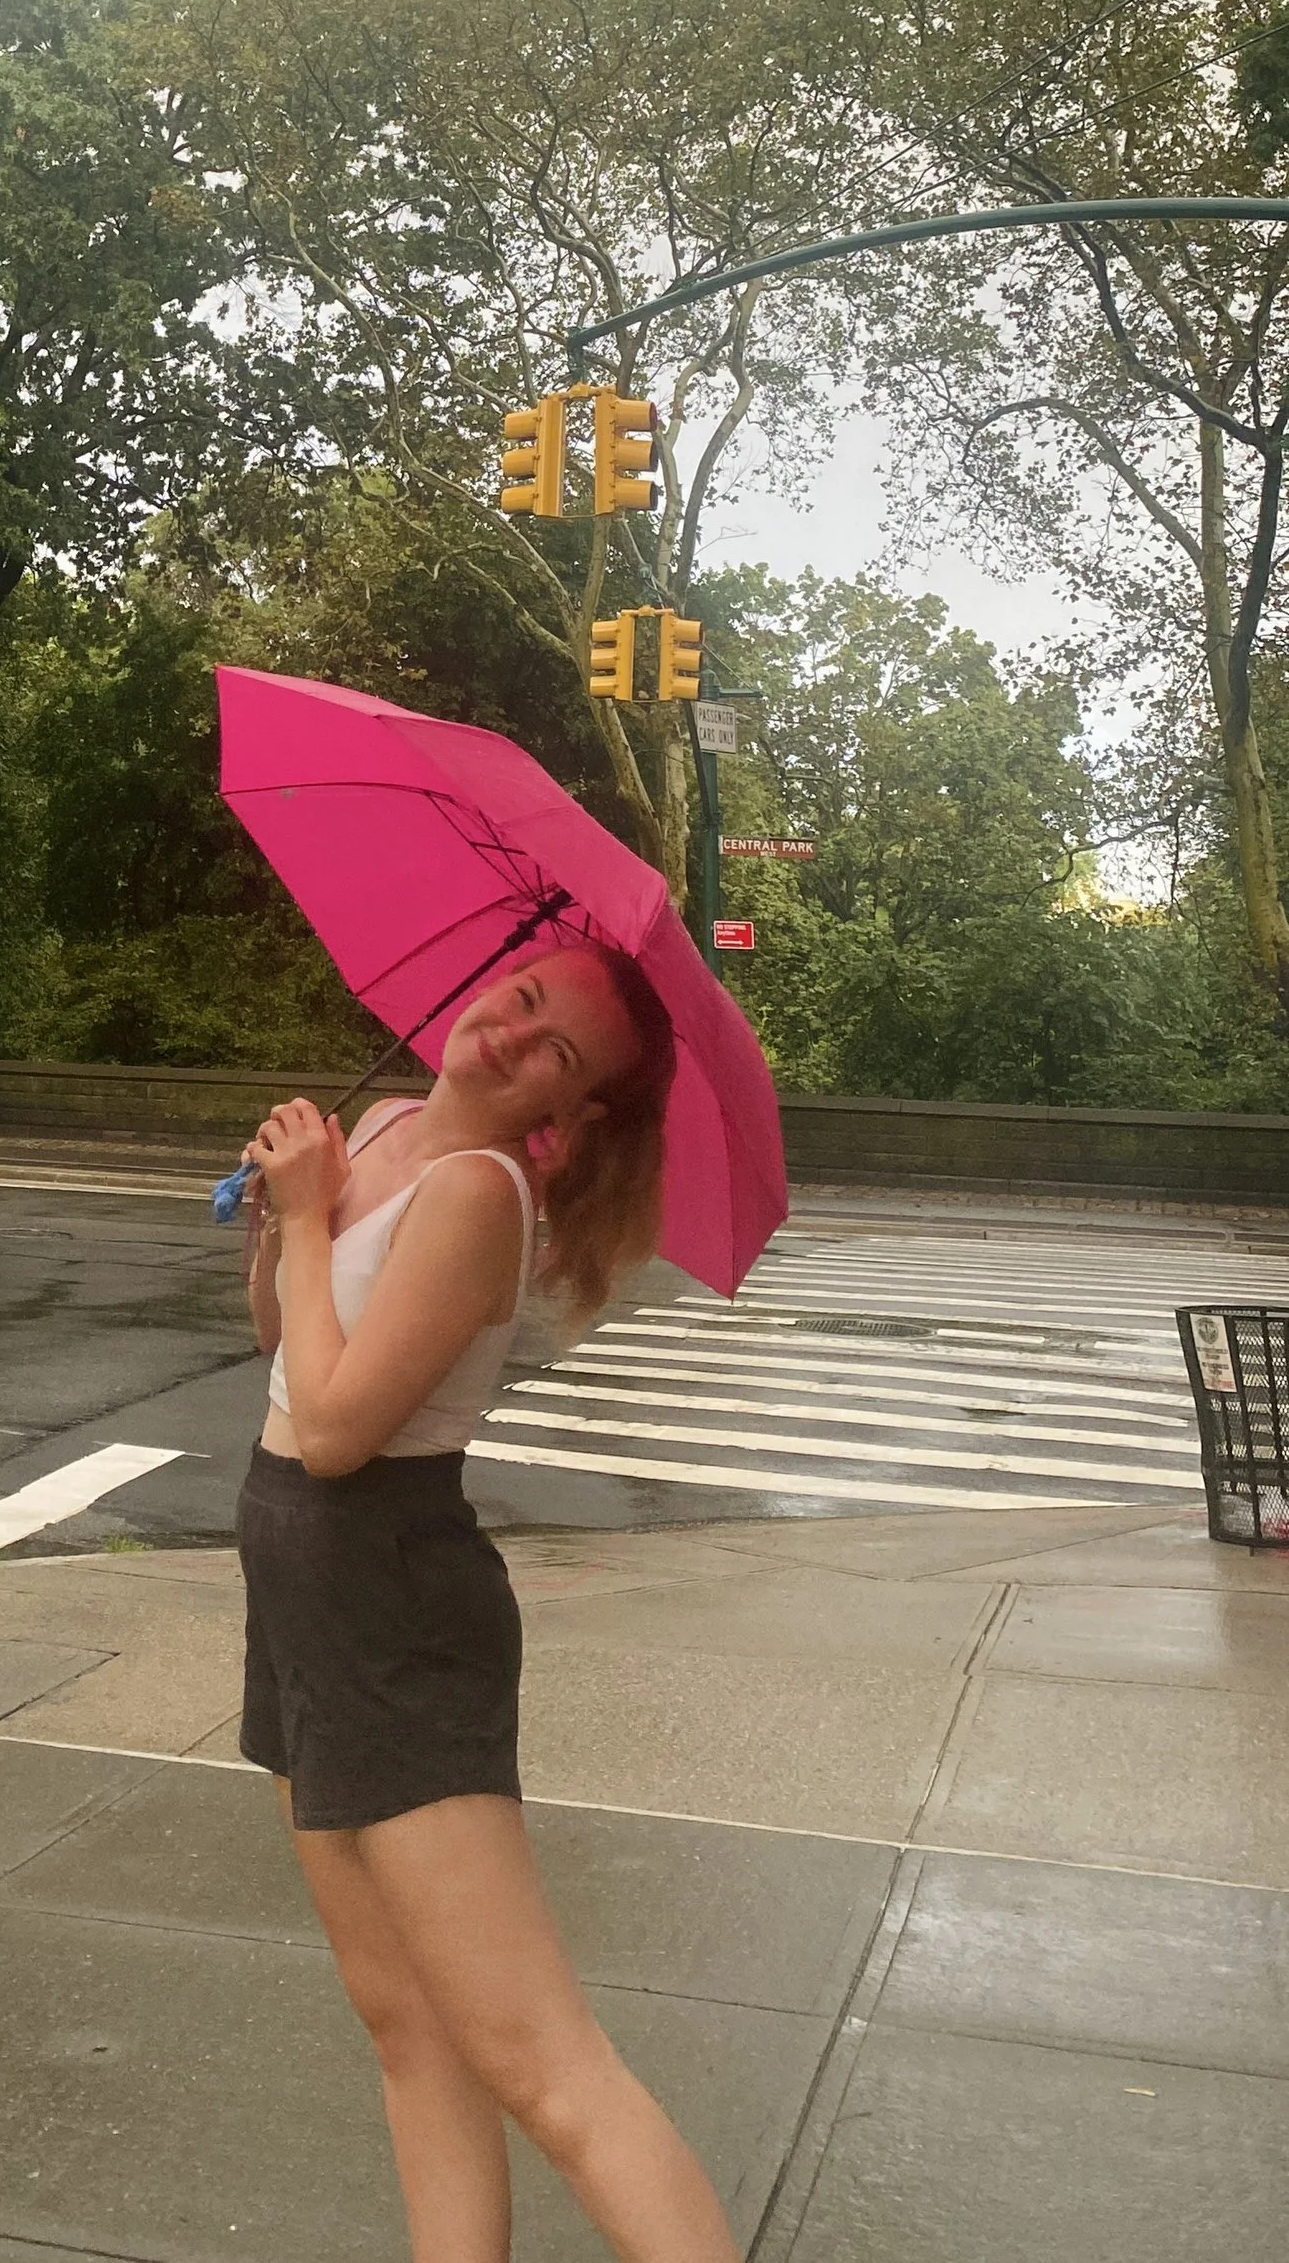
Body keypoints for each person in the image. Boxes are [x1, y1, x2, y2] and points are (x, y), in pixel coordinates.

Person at [236, 940, 739, 2263]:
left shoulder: (476, 1192)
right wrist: (280, 1215)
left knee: (543, 2067)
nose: (513, 1034)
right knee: (405, 2022)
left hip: (390, 1599)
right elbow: (285, 1350)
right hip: (300, 1589)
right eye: (522, 998)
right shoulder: (389, 1125)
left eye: (555, 1051)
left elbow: (342, 1431)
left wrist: (303, 1220)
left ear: (565, 1123)